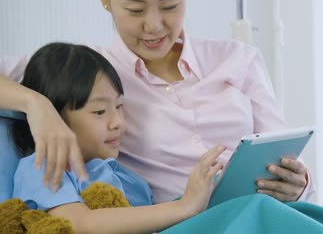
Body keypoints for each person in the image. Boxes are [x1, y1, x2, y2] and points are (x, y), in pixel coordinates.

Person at [0, 0, 314, 204]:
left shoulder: (238, 59)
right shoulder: (86, 70)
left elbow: (285, 155)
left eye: (169, 6)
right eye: (135, 10)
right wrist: (35, 104)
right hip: (181, 222)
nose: (154, 26)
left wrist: (298, 183)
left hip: (261, 212)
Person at [11, 42, 226, 233]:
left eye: (119, 106)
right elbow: (78, 224)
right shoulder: (44, 166)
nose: (118, 123)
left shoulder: (129, 177)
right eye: (99, 112)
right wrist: (183, 206)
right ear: (54, 118)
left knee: (245, 206)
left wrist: (200, 193)